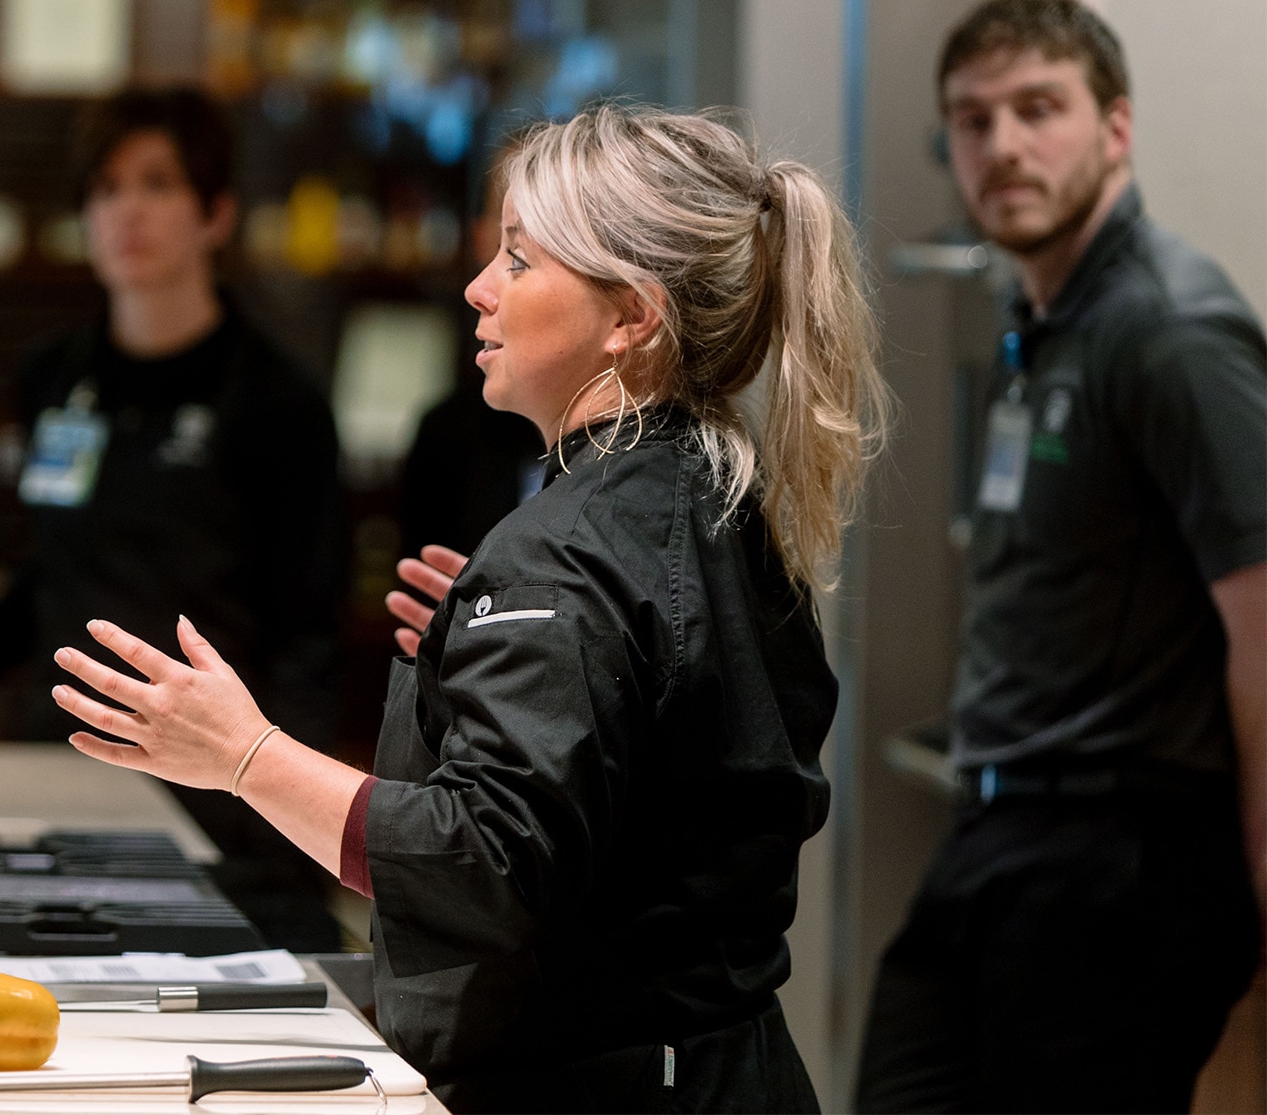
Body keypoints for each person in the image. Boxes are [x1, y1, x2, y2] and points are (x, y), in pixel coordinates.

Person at [47, 103, 885, 1111]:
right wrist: (522, 645)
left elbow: (480, 864)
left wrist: (242, 754)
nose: (479, 289)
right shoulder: (724, 497)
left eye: (522, 262)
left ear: (631, 316)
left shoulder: (567, 553)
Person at [855, 0, 1267, 1113]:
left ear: (1117, 127)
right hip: (1001, 835)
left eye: (1040, 109)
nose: (1003, 146)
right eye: (973, 121)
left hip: (1117, 864)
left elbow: (1265, 626)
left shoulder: (1169, 327)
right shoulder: (1044, 322)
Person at [0, 87, 348, 948]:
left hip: (217, 797)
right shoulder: (54, 378)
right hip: (64, 774)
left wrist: (273, 805)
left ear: (216, 214)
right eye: (106, 189)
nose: (127, 211)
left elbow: (307, 631)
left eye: (157, 184)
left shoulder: (276, 400)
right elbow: (55, 561)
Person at [398, 136, 548, 566]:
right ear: (480, 237)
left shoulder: (646, 464)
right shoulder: (445, 437)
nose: (476, 291)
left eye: (520, 256)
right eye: (507, 246)